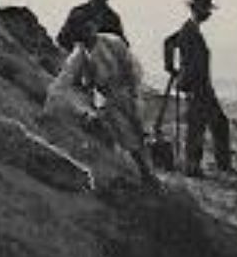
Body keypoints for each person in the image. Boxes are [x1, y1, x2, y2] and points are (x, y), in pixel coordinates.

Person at [44, 16, 155, 184]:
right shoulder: (79, 55)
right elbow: (64, 79)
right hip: (107, 97)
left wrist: (133, 93)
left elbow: (131, 67)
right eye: (83, 30)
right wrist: (50, 104)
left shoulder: (112, 41)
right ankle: (143, 172)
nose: (88, 32)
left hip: (128, 90)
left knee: (140, 128)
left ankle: (150, 170)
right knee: (125, 133)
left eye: (90, 28)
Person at [164, 0, 232, 178]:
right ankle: (193, 167)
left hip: (201, 85)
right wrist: (171, 68)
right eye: (206, 9)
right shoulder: (188, 29)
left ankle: (219, 165)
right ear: (196, 9)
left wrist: (173, 69)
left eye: (209, 9)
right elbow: (168, 43)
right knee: (199, 126)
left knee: (217, 124)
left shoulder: (192, 28)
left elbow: (169, 42)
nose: (209, 13)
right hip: (196, 85)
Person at [56, 0, 126, 52]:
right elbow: (62, 37)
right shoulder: (78, 13)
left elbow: (121, 43)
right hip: (78, 52)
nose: (98, 0)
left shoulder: (112, 18)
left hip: (103, 56)